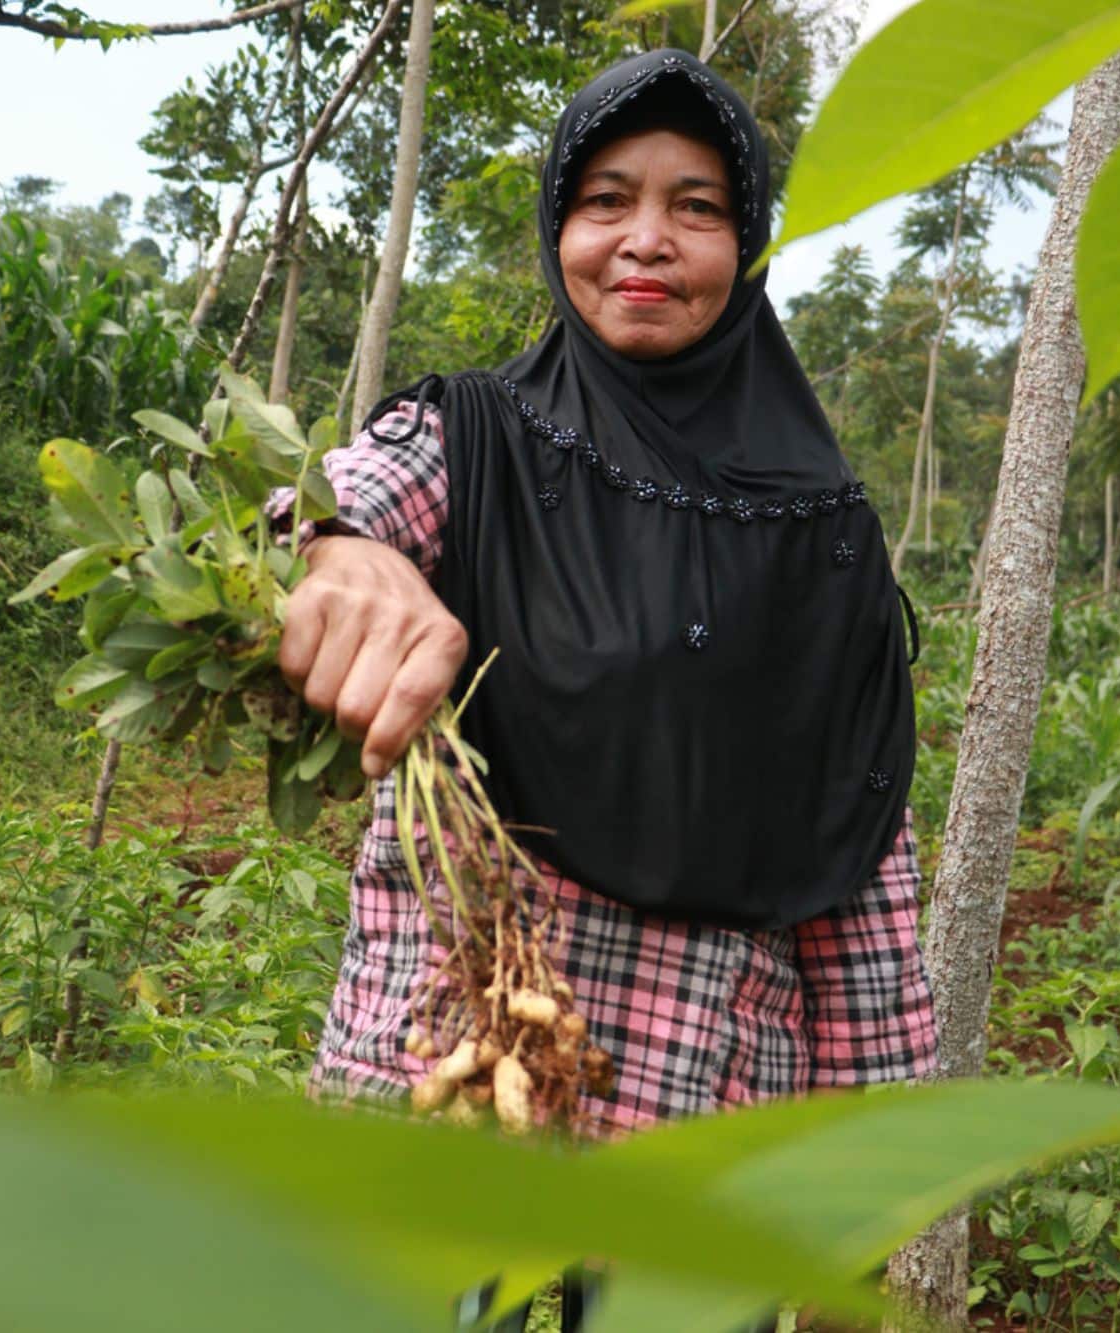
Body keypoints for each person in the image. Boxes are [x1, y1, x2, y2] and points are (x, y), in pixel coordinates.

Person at [273, 48, 937, 1146]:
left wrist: (875, 1168)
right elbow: (313, 516)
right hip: (448, 1071)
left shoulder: (825, 530)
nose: (646, 240)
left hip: (705, 1108)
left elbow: (857, 861)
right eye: (606, 201)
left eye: (697, 208)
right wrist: (337, 551)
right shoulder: (466, 440)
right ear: (559, 228)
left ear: (747, 244)